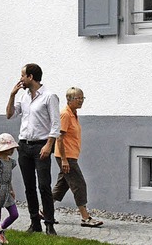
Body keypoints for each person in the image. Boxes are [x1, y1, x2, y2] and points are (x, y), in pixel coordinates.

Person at [5, 63, 61, 235]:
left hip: (41, 146)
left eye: (23, 75)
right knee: (29, 186)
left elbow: (55, 124)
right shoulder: (24, 97)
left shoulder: (49, 96)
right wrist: (12, 95)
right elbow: (10, 114)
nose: (20, 79)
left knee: (44, 185)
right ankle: (34, 222)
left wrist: (49, 145)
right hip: (24, 146)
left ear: (30, 77)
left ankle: (49, 224)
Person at [53, 87, 103, 227]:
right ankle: (85, 218)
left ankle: (44, 211)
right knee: (79, 185)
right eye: (78, 98)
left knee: (62, 185)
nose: (81, 101)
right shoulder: (65, 114)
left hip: (70, 155)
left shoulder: (73, 113)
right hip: (66, 156)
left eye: (82, 98)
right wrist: (64, 160)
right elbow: (59, 138)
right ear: (69, 99)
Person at [0, 133, 20, 245]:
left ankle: (1, 228)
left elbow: (8, 178)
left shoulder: (10, 162)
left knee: (14, 214)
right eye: (9, 148)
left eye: (13, 148)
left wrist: (11, 189)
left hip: (7, 190)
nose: (12, 150)